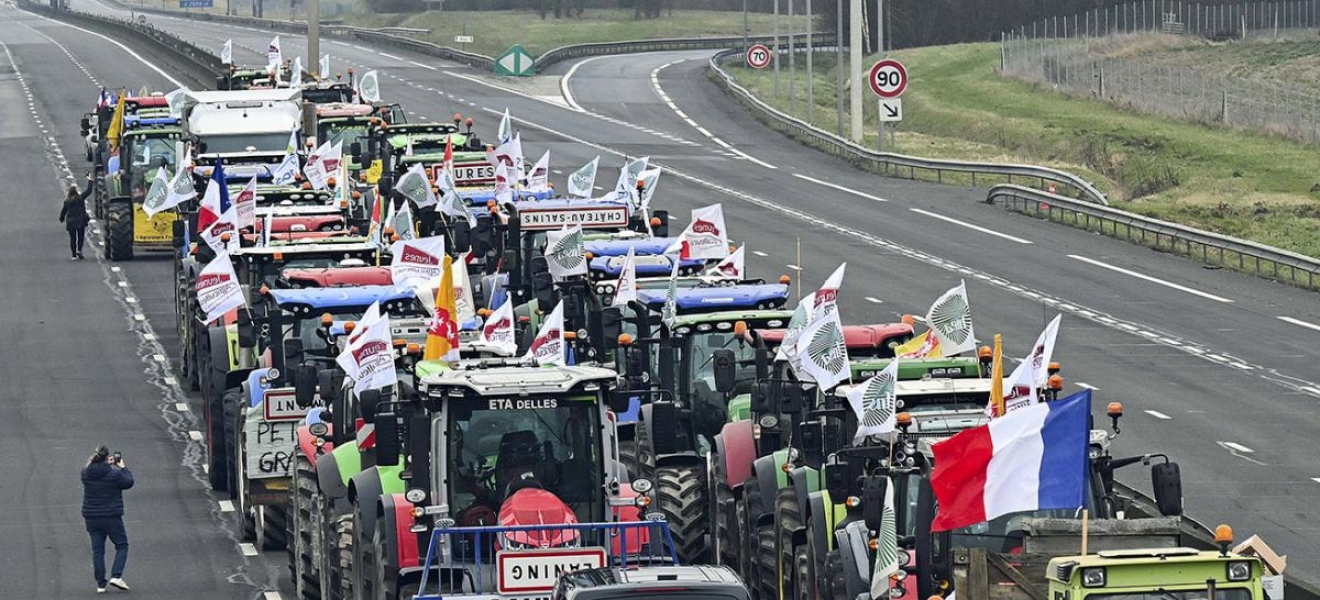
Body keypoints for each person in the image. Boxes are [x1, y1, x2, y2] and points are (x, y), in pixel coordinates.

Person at [81, 446, 133, 593]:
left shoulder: (85, 473)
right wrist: (123, 467)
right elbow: (129, 482)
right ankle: (116, 576)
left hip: (91, 517)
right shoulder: (115, 475)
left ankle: (100, 584)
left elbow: (94, 470)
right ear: (107, 458)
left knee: (98, 550)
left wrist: (106, 464)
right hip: (111, 516)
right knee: (122, 545)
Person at [59, 174, 93, 260]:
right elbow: (89, 190)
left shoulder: (67, 201)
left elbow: (64, 211)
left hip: (70, 222)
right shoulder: (80, 198)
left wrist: (61, 219)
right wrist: (90, 179)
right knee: (80, 237)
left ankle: (73, 255)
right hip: (80, 221)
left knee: (72, 238)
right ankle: (79, 250)